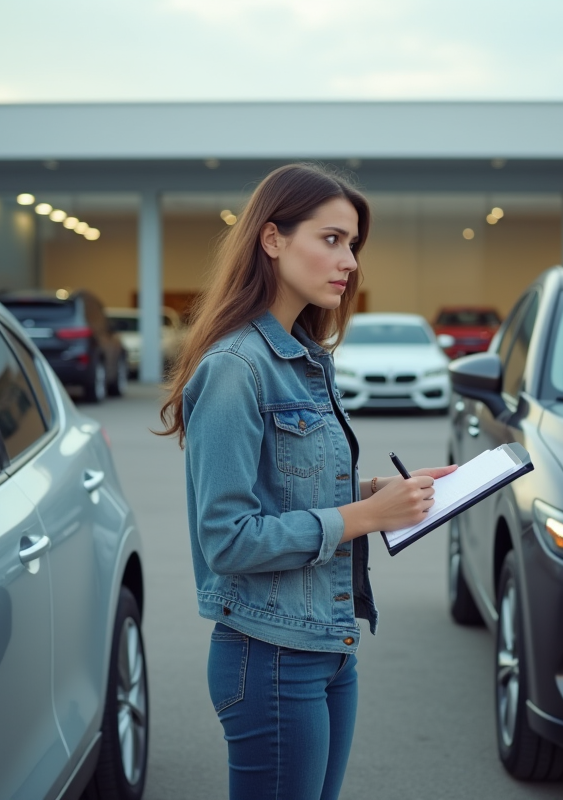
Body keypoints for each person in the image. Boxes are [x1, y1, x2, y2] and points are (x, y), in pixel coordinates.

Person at [158, 163, 456, 800]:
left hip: (329, 643)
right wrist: (366, 517)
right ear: (272, 239)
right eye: (331, 239)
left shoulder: (304, 358)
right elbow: (228, 539)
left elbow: (290, 490)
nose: (349, 261)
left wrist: (379, 492)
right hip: (270, 655)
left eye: (353, 244)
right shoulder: (237, 367)